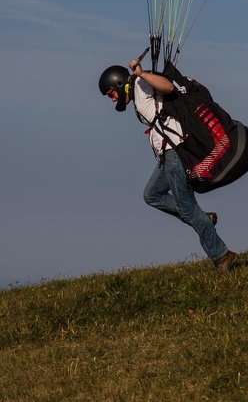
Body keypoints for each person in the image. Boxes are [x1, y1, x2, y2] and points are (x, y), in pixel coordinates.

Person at [98, 56, 239, 273]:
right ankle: (203, 219)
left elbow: (168, 86)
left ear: (118, 83)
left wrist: (142, 74)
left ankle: (222, 256)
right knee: (151, 195)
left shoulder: (141, 85)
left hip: (176, 152)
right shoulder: (137, 94)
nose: (111, 99)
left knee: (186, 208)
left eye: (110, 93)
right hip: (167, 154)